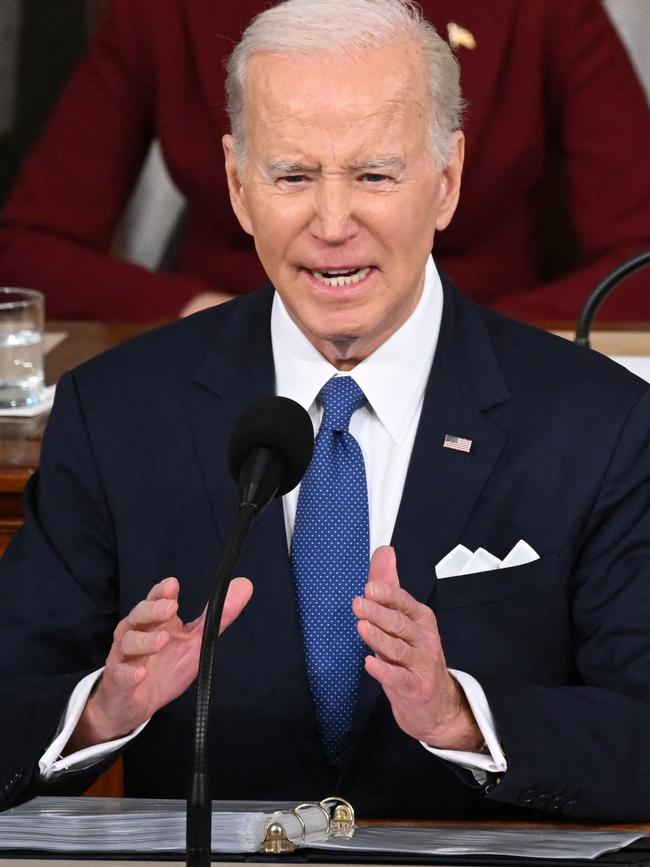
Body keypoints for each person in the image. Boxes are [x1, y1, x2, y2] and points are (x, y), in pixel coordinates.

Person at [2, 0, 650, 822]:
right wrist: (102, 708)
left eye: (375, 175)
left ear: (446, 181)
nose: (332, 226)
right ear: (239, 185)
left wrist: (461, 716)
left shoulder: (601, 425)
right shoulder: (116, 413)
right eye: (293, 177)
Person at [0, 0, 649, 323]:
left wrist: (471, 343)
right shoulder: (166, 10)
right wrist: (205, 316)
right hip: (234, 368)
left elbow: (639, 254)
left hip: (485, 372)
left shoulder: (543, 9)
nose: (334, 222)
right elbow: (29, 247)